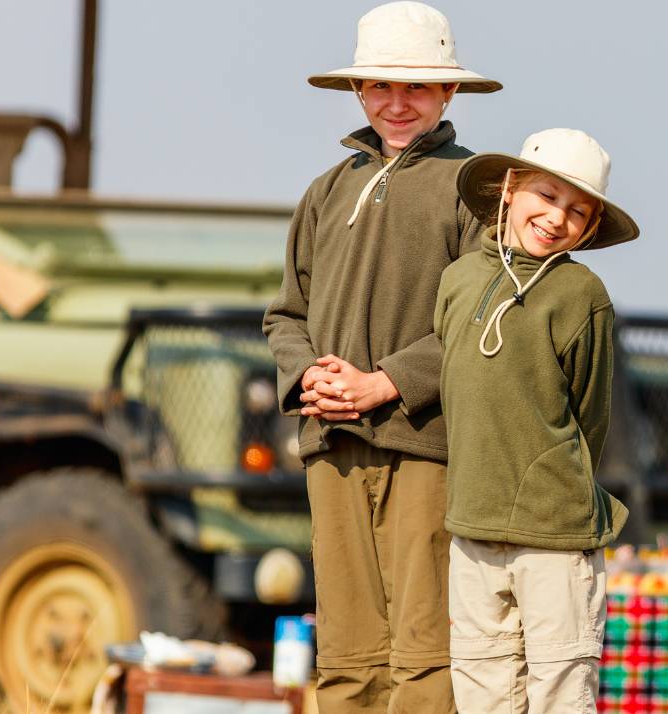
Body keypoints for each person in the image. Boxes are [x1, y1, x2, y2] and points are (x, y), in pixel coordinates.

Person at [261, 2, 498, 711]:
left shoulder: (477, 189)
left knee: (424, 652)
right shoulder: (325, 191)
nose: (397, 103)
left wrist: (383, 383)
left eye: (417, 87)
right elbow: (285, 313)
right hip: (331, 441)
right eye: (381, 87)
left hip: (423, 444)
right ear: (358, 92)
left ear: (448, 92)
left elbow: (480, 320)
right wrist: (312, 378)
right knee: (346, 654)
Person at [434, 129, 639, 713]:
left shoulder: (581, 293)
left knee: (560, 689)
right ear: (510, 189)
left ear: (591, 227)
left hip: (555, 530)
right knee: (481, 686)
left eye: (577, 212)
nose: (556, 218)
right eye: (546, 197)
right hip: (473, 521)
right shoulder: (458, 280)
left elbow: (589, 415)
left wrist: (555, 483)